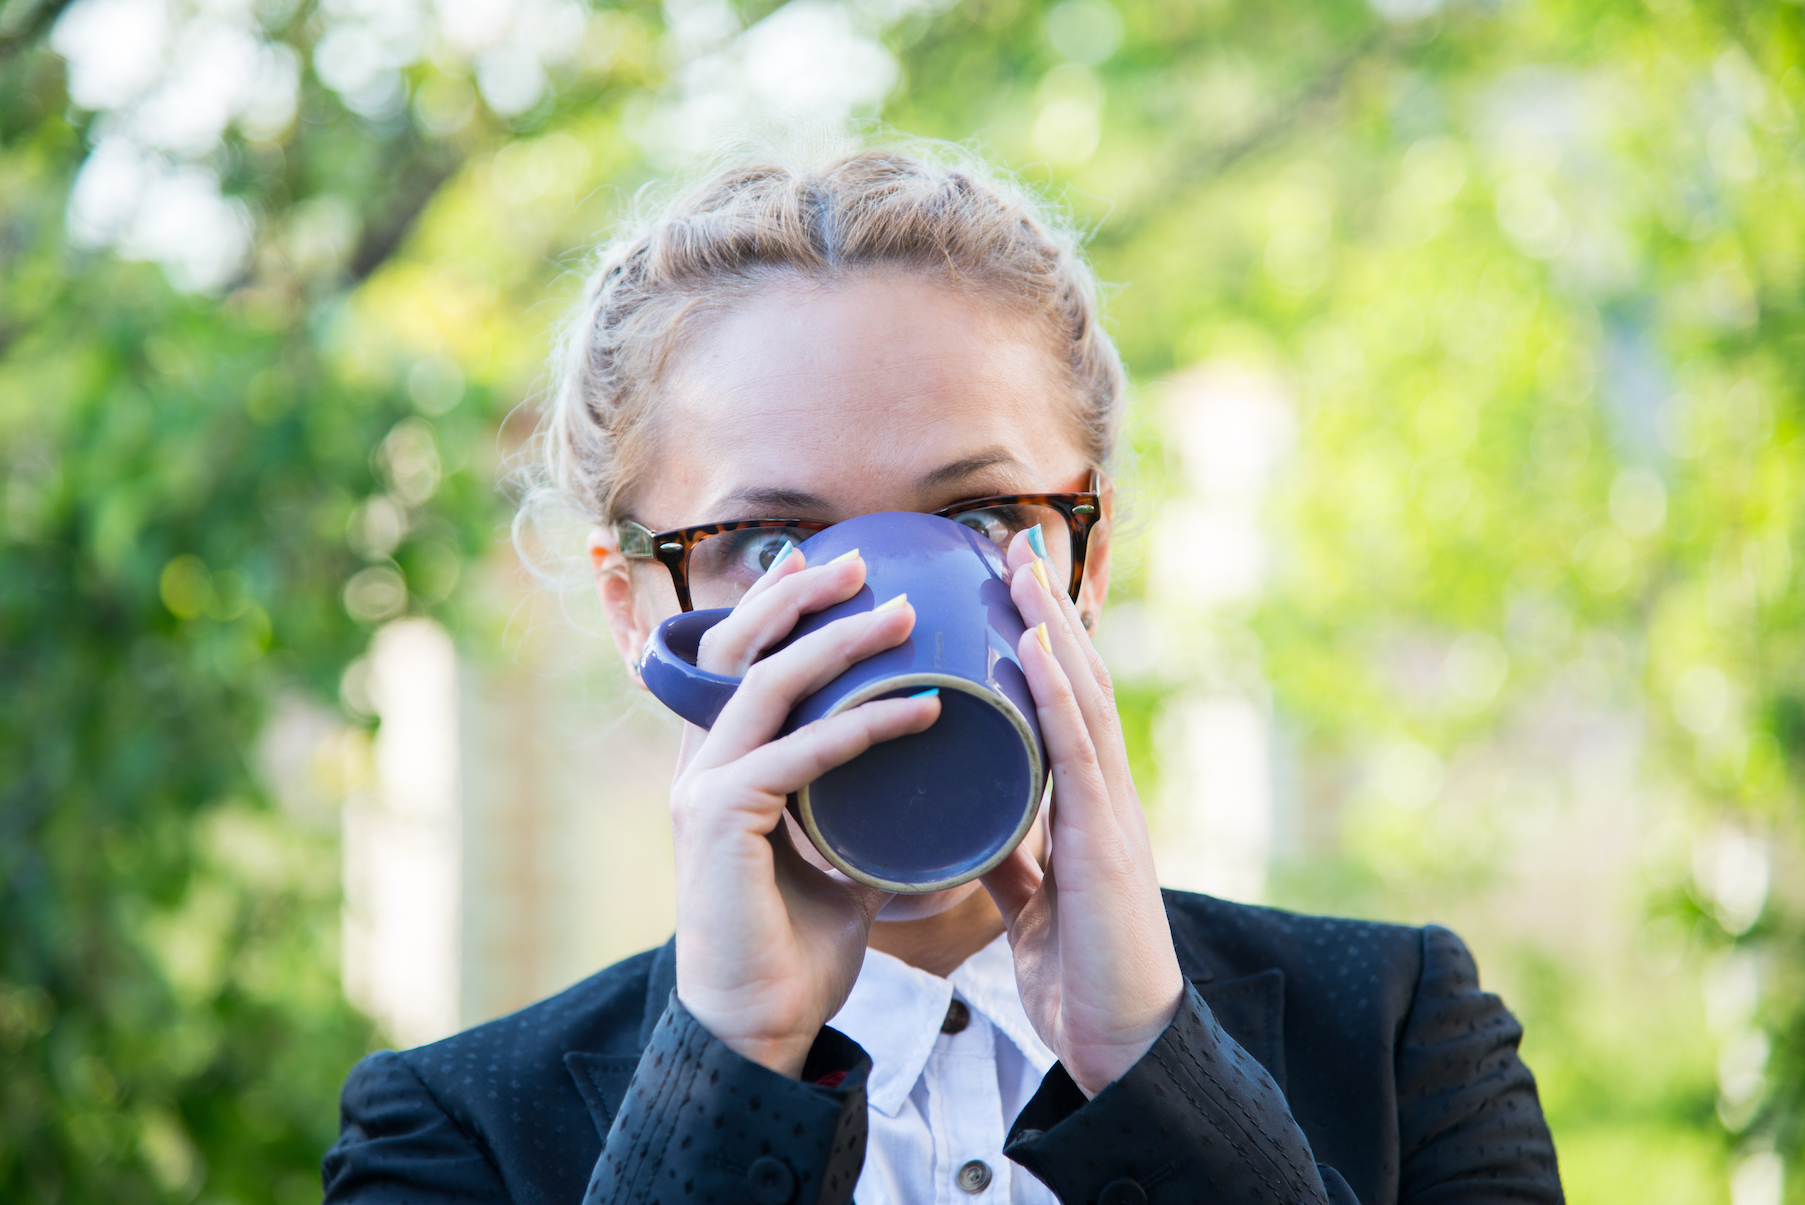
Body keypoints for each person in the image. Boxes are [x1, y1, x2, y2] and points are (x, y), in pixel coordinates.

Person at [322, 145, 1564, 1205]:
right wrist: (729, 1071)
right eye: (773, 545)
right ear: (637, 607)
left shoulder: (1397, 1033)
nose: (888, 606)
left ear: (1087, 559)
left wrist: (1154, 1062)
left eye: (974, 515)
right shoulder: (452, 1129)